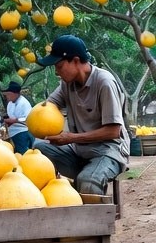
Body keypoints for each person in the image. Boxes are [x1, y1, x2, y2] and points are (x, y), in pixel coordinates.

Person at [33, 35, 128, 195]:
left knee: (89, 183)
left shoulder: (104, 83)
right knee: (38, 151)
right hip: (79, 151)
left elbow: (113, 131)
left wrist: (70, 138)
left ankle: (89, 186)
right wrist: (35, 120)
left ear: (76, 61)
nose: (57, 72)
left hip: (109, 151)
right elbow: (48, 106)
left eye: (59, 66)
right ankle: (79, 181)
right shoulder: (66, 84)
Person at [0, 81, 34, 153]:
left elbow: (28, 117)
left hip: (22, 132)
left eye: (8, 94)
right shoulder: (10, 104)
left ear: (14, 94)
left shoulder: (24, 103)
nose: (6, 97)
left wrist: (15, 120)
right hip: (13, 133)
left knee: (24, 153)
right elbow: (11, 116)